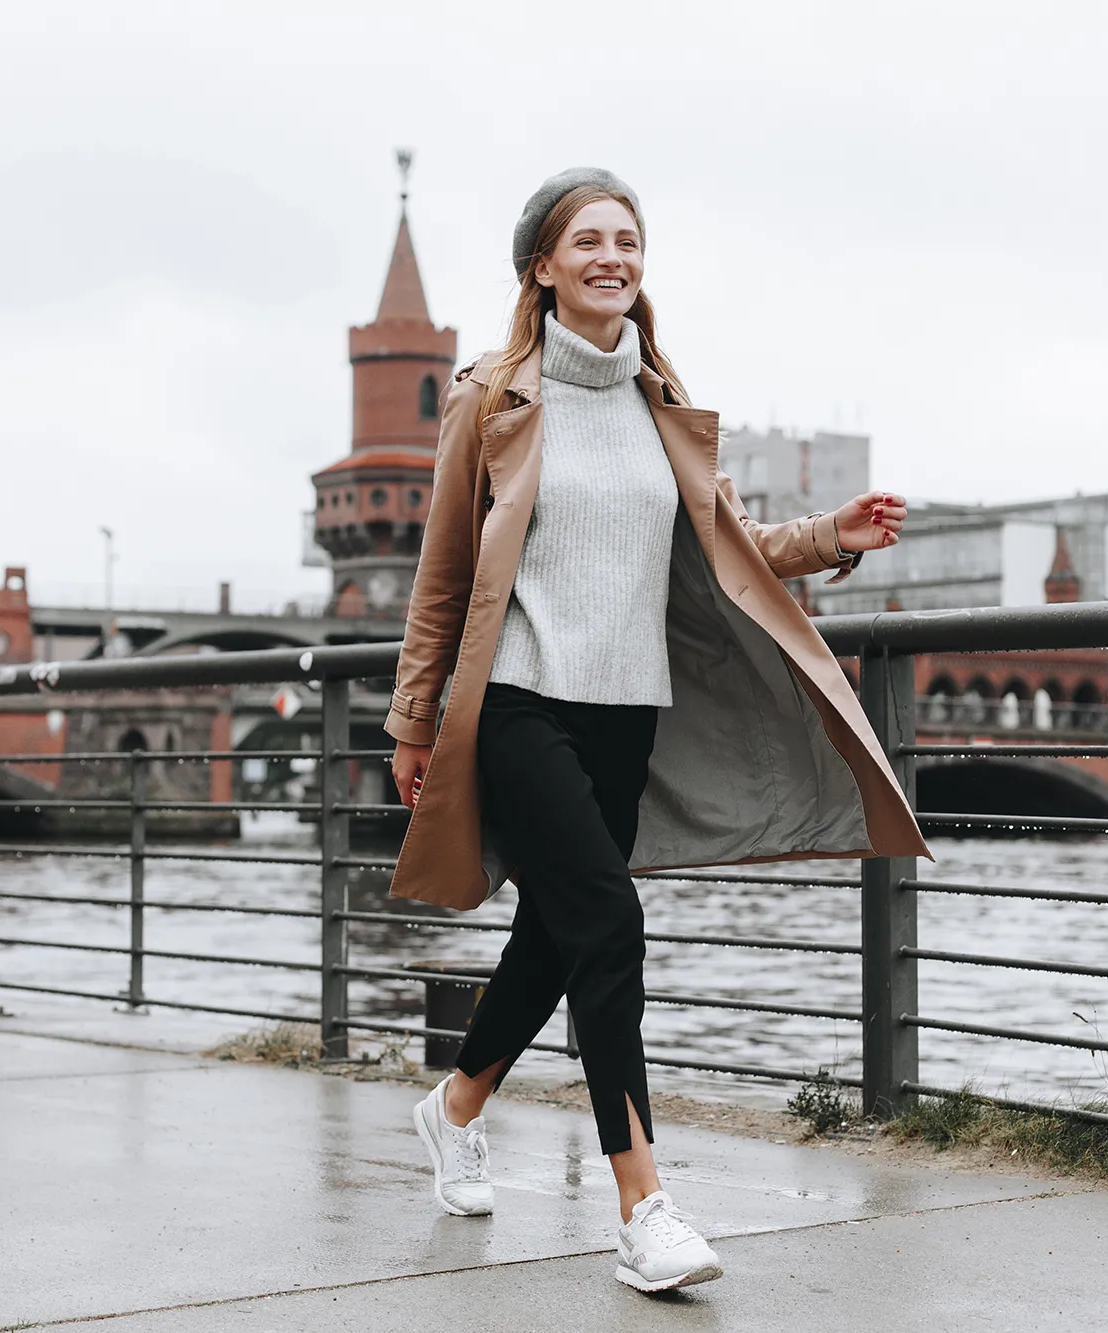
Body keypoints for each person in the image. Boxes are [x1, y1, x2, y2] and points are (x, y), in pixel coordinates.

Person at [384, 167, 929, 1294]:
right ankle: (643, 1205)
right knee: (608, 921)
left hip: (627, 708)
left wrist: (831, 534)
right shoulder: (491, 397)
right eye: (585, 239)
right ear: (541, 265)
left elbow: (724, 543)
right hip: (522, 702)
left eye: (626, 240)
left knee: (558, 932)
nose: (610, 257)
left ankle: (454, 1106)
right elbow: (442, 572)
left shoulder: (658, 399)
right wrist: (411, 718)